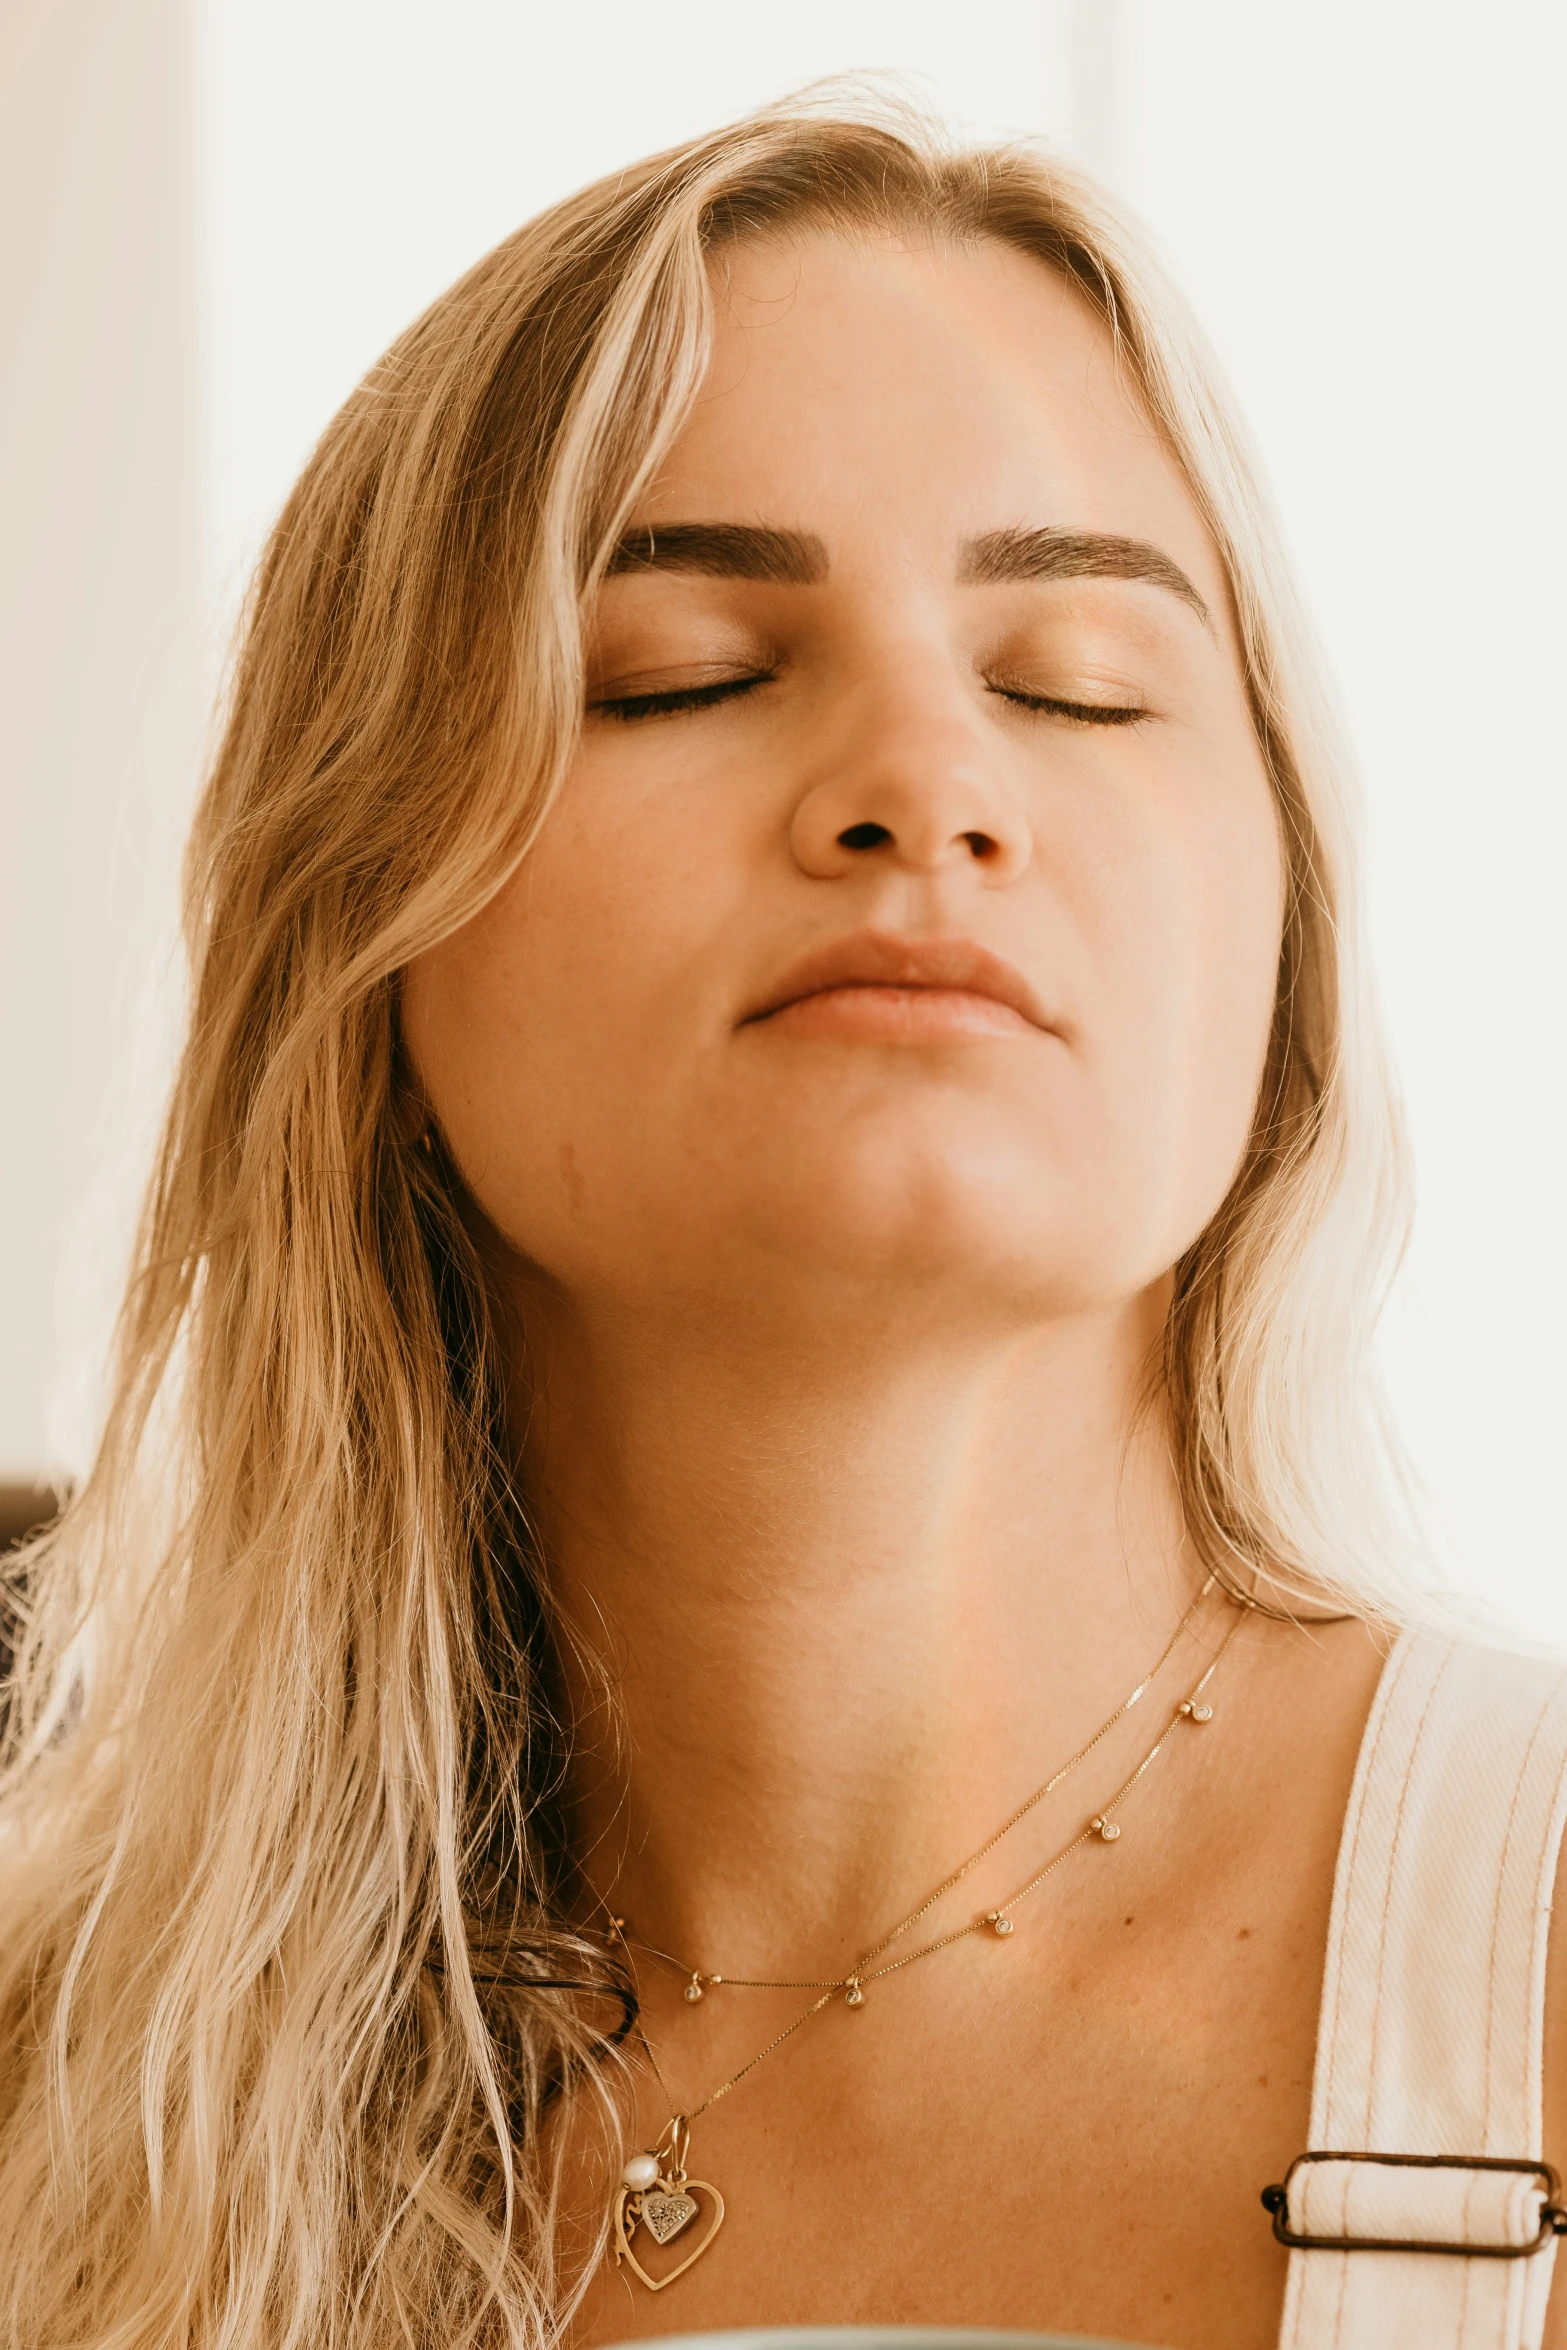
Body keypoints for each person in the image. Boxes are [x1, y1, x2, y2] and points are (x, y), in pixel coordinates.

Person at [1, 97, 1563, 2350]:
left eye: (1075, 686)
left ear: (1286, 949)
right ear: (362, 939)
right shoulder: (66, 2081)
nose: (931, 780)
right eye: (685, 674)